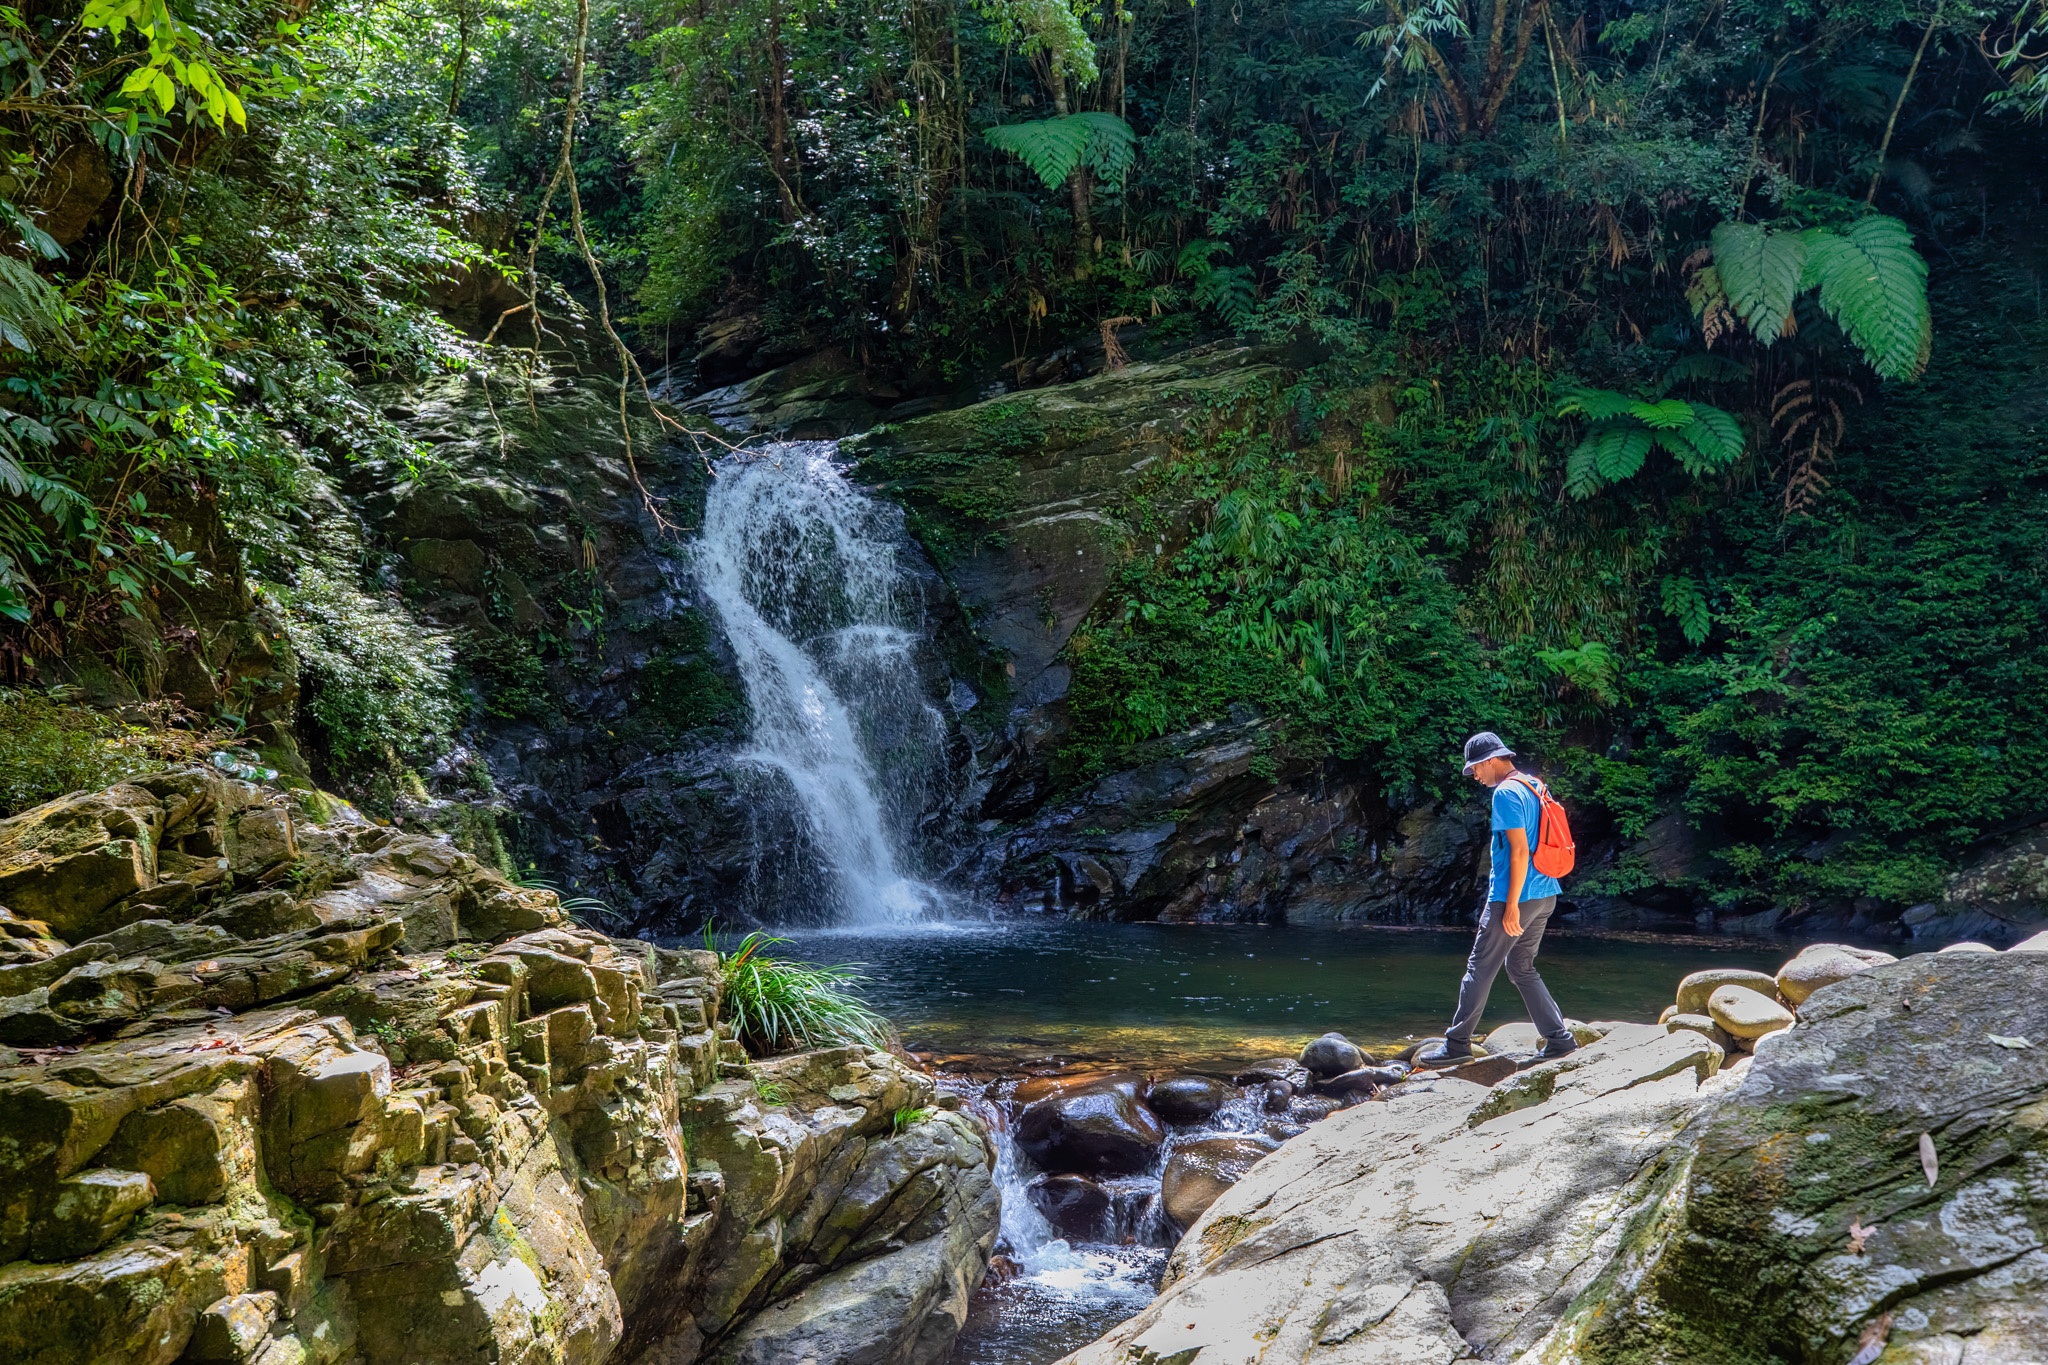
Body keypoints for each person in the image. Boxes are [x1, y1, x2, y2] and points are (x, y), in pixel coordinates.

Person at [1416, 731, 1577, 1066]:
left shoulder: (1505, 793)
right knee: (1520, 967)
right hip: (1546, 893)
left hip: (1513, 897)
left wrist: (1512, 905)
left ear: (1491, 760)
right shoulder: (1535, 785)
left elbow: (1519, 852)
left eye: (1475, 768)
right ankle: (1560, 1041)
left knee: (1479, 968)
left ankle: (1457, 1045)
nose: (1474, 775)